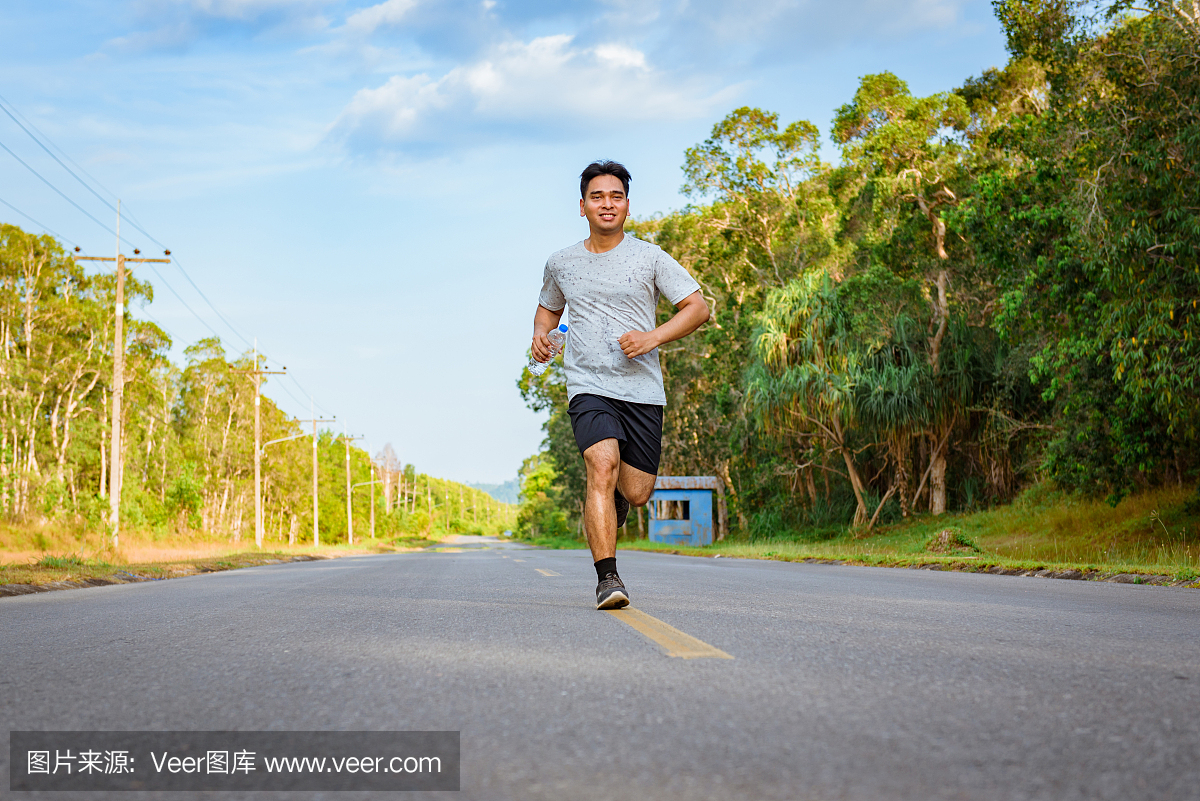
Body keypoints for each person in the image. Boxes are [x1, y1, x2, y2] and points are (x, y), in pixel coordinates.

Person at [531, 160, 709, 609]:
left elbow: (697, 308)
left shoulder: (650, 257)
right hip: (588, 385)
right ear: (582, 206)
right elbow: (548, 310)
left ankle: (615, 503)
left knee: (636, 491)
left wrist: (653, 336)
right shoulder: (561, 263)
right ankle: (608, 578)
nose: (606, 204)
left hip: (642, 390)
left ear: (627, 205)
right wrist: (539, 336)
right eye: (597, 196)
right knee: (601, 464)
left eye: (615, 196)